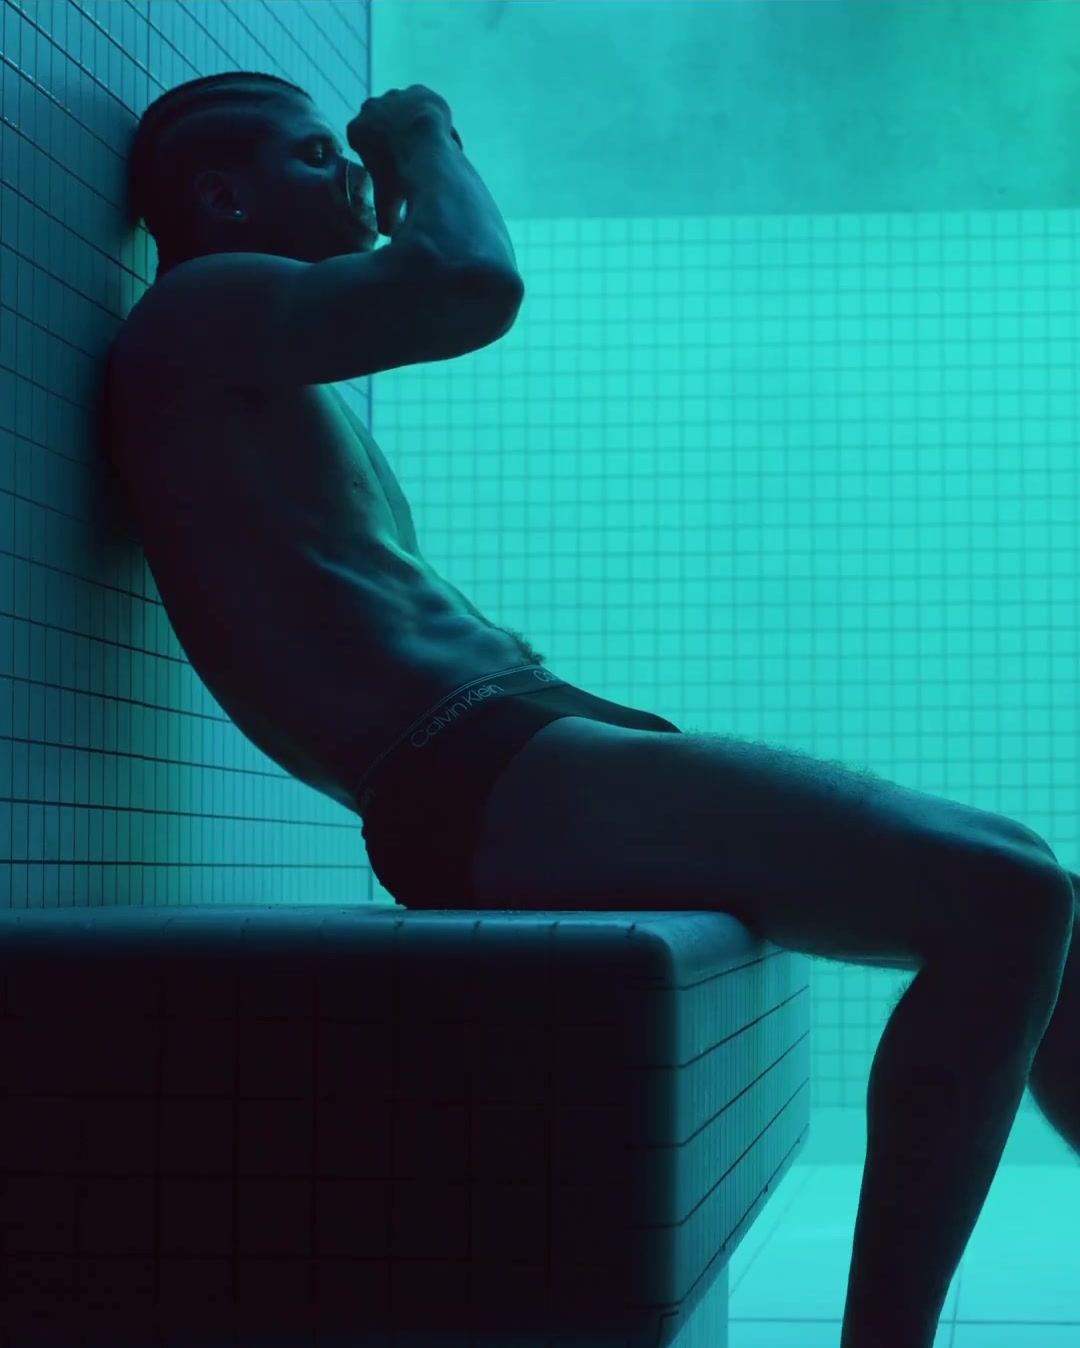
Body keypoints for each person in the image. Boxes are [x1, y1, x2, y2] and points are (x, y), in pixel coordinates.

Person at [106, 71, 1079, 1347]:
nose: (348, 171)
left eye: (348, 151)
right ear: (223, 198)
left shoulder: (265, 369)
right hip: (468, 762)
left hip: (514, 750)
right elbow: (470, 282)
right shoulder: (200, 308)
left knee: (1048, 916)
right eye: (313, 154)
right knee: (1010, 893)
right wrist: (418, 133)